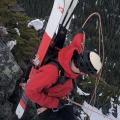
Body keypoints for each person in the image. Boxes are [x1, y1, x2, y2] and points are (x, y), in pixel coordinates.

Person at [25, 31, 102, 120]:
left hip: (61, 99)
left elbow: (78, 41)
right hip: (49, 102)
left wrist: (81, 33)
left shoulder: (74, 52)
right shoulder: (52, 72)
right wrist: (54, 103)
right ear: (83, 71)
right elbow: (30, 90)